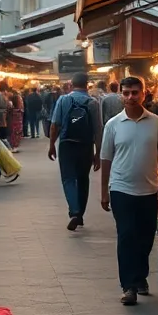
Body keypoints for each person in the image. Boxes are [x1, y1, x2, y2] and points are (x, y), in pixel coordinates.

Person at [99, 75, 158, 306]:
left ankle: (140, 277)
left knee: (146, 237)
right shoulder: (113, 125)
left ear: (144, 93)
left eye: (135, 92)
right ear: (121, 95)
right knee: (126, 235)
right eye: (126, 93)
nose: (131, 97)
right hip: (121, 188)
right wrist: (104, 191)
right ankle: (128, 286)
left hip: (149, 189)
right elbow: (105, 159)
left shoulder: (156, 122)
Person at [48, 72, 102, 231]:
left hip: (66, 144)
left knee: (68, 179)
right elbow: (98, 130)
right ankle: (81, 215)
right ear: (87, 85)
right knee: (83, 179)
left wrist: (52, 144)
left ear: (71, 84)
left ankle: (75, 212)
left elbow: (54, 125)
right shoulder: (93, 102)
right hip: (85, 146)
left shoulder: (64, 100)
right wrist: (97, 153)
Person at [4, 83, 23, 150]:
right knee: (14, 133)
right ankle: (13, 145)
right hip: (15, 122)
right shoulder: (13, 107)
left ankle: (14, 145)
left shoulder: (12, 106)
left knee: (15, 133)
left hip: (15, 122)